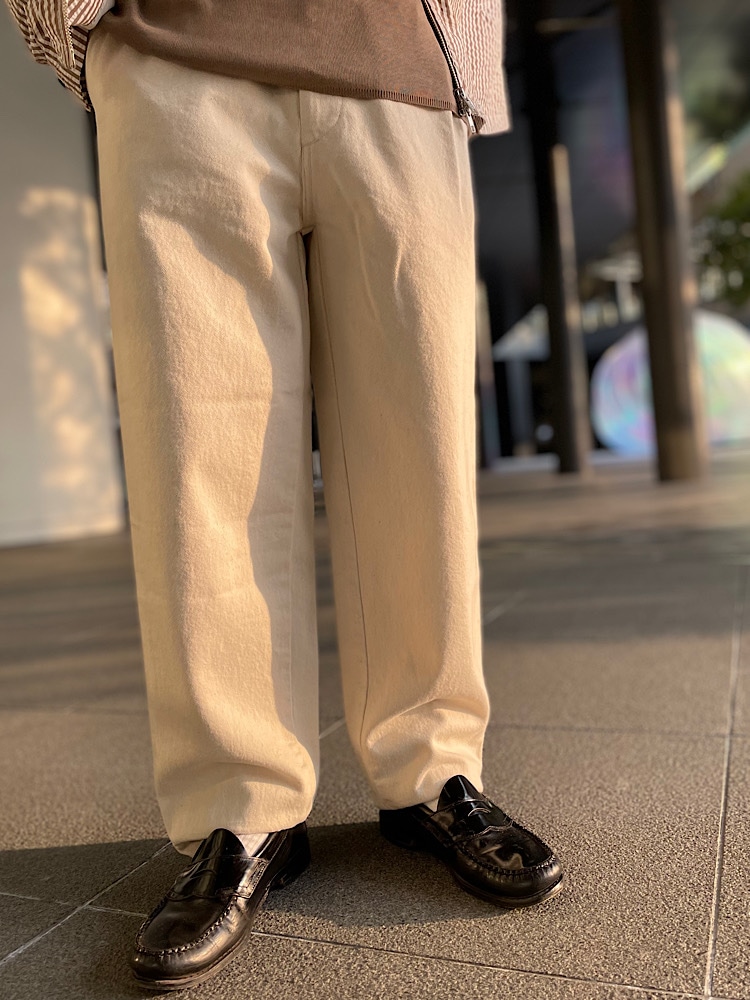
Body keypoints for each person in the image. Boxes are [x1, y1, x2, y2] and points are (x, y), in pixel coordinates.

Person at [5, 0, 564, 990]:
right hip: (179, 52)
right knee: (199, 458)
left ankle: (433, 767)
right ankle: (240, 801)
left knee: (422, 450)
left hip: (403, 58)